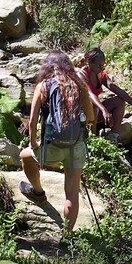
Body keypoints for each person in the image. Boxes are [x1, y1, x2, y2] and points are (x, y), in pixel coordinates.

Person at [19, 51, 97, 231]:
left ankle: (38, 192)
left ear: (47, 66)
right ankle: (67, 237)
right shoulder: (80, 85)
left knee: (25, 156)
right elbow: (91, 117)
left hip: (52, 146)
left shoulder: (43, 86)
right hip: (76, 145)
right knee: (72, 193)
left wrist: (34, 144)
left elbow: (32, 121)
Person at [77, 47, 132, 134]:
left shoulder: (100, 75)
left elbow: (117, 90)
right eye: (99, 65)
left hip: (96, 111)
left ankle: (114, 136)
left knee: (119, 101)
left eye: (102, 66)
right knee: (93, 104)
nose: (101, 68)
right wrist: (104, 109)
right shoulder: (81, 75)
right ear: (89, 62)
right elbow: (89, 94)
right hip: (81, 114)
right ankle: (92, 137)